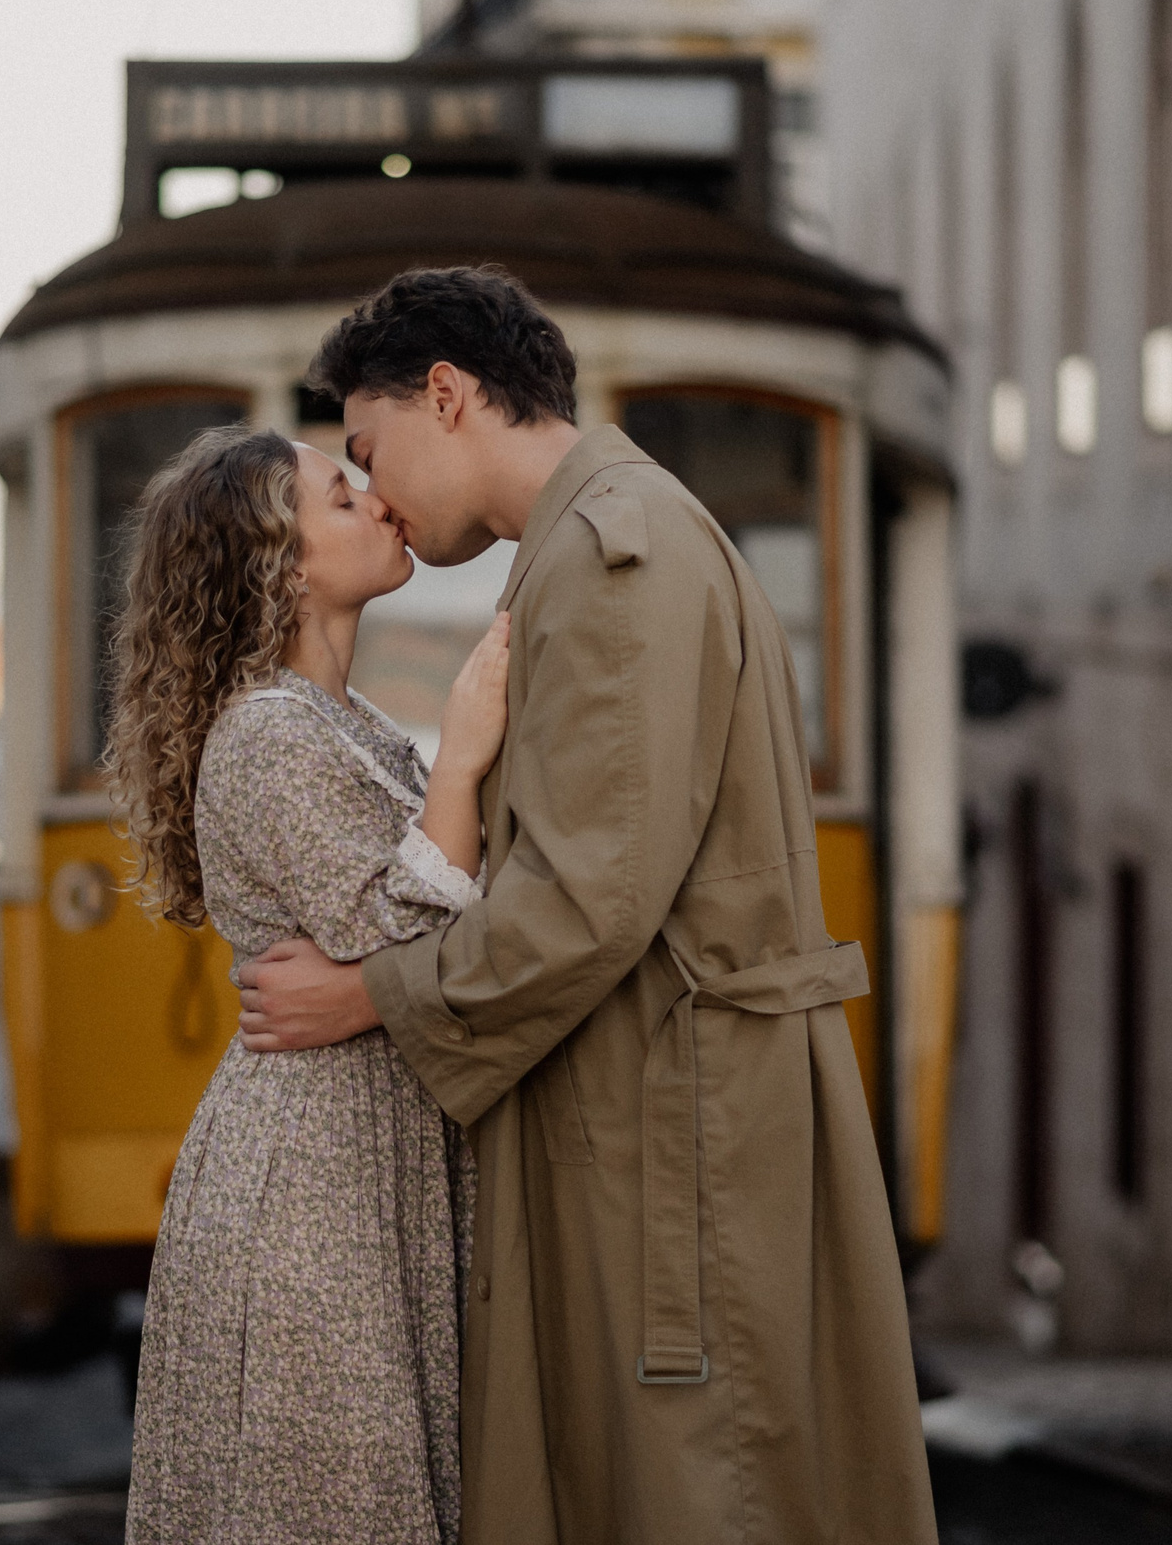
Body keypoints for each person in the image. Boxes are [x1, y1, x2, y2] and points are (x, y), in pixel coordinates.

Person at [240, 266, 936, 1545]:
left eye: (368, 448)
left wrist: (363, 994)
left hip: (670, 1146)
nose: (375, 489)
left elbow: (584, 899)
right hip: (651, 1123)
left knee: (690, 1489)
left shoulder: (613, 555)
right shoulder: (595, 539)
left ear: (445, 395)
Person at [108, 424, 513, 1545]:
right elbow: (406, 919)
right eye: (345, 498)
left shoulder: (344, 722)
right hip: (311, 1177)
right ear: (284, 561)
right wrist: (471, 746)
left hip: (356, 1147)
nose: (382, 504)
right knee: (336, 1489)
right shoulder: (269, 735)